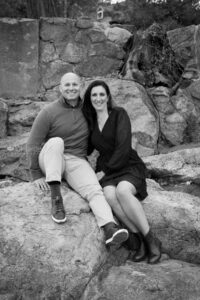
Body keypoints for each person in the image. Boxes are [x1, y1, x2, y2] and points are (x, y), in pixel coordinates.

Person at [26, 72, 129, 247]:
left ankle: (109, 228)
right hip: (51, 157)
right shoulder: (48, 111)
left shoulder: (88, 110)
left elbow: (103, 129)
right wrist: (35, 173)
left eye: (75, 84)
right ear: (60, 88)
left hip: (76, 159)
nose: (71, 88)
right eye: (67, 85)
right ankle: (56, 200)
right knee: (56, 142)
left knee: (95, 190)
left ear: (80, 86)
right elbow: (33, 143)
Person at [82, 79, 162, 264]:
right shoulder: (91, 121)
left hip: (127, 163)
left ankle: (151, 238)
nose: (98, 98)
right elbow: (85, 148)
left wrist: (103, 172)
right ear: (89, 98)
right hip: (107, 168)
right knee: (109, 195)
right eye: (94, 95)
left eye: (102, 94)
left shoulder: (119, 114)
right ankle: (139, 240)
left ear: (108, 97)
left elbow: (123, 147)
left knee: (122, 191)